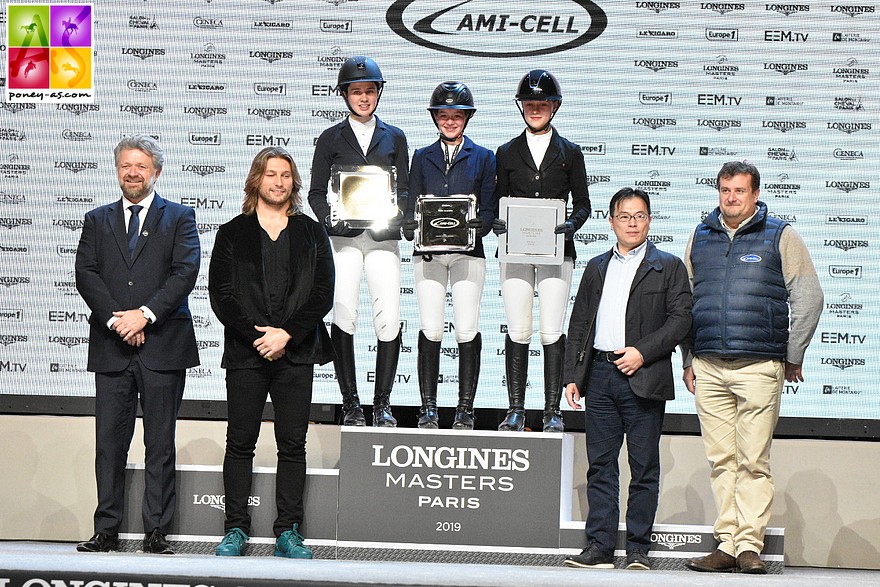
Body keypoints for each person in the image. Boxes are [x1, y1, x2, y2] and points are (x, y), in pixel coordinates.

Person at [682, 161, 823, 574]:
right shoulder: (700, 236)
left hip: (759, 365)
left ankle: (749, 546)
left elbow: (809, 298)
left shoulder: (781, 235)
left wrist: (792, 353)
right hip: (707, 365)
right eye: (725, 190)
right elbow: (685, 304)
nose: (731, 198)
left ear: (755, 194)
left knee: (753, 461)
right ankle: (726, 544)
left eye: (739, 191)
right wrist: (688, 358)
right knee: (721, 459)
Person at [74, 135, 200, 554]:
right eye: (125, 166)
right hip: (112, 348)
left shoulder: (180, 218)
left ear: (156, 172)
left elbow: (184, 274)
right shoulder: (96, 220)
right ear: (117, 171)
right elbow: (86, 275)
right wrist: (117, 320)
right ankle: (106, 530)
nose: (132, 172)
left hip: (163, 346)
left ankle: (156, 532)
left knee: (159, 443)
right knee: (109, 444)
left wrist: (144, 315)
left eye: (141, 166)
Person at [209, 147, 335, 558]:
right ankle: (235, 530)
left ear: (293, 183)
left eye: (285, 175)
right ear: (256, 181)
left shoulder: (312, 232)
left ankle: (288, 531)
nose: (278, 182)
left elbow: (322, 296)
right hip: (246, 355)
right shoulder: (231, 232)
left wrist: (287, 335)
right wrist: (258, 337)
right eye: (270, 174)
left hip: (296, 354)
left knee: (292, 445)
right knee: (240, 443)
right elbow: (222, 297)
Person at [561, 188, 692, 570]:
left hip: (643, 374)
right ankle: (599, 547)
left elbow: (681, 320)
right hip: (600, 376)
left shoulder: (668, 267)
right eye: (624, 216)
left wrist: (642, 352)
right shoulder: (597, 266)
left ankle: (637, 549)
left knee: (643, 467)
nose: (632, 223)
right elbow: (581, 322)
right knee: (600, 466)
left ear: (649, 220)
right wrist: (574, 376)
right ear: (611, 221)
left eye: (639, 216)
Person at [308, 55, 409, 427]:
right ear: (345, 95)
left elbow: (405, 191)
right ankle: (350, 403)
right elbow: (318, 193)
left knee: (389, 317)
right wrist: (332, 217)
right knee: (344, 314)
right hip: (344, 240)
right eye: (356, 91)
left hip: (383, 238)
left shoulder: (395, 137)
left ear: (378, 93)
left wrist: (399, 213)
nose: (363, 98)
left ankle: (382, 404)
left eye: (369, 91)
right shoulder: (330, 138)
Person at [492, 69, 591, 432]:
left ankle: (552, 409)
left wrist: (572, 224)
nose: (535, 109)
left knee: (552, 329)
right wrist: (497, 223)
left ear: (554, 106)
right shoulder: (504, 152)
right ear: (521, 107)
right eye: (529, 104)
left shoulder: (571, 152)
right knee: (519, 328)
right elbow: (494, 201)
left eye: (542, 104)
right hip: (515, 251)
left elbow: (583, 203)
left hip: (556, 250)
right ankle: (516, 408)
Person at [402, 81, 496, 429]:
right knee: (430, 327)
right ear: (436, 118)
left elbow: (487, 209)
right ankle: (427, 407)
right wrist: (409, 224)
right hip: (428, 254)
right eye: (444, 115)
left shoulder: (485, 157)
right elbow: (413, 202)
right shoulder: (421, 156)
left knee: (466, 329)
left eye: (457, 115)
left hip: (468, 253)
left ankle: (465, 409)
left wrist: (478, 224)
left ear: (467, 118)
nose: (450, 121)